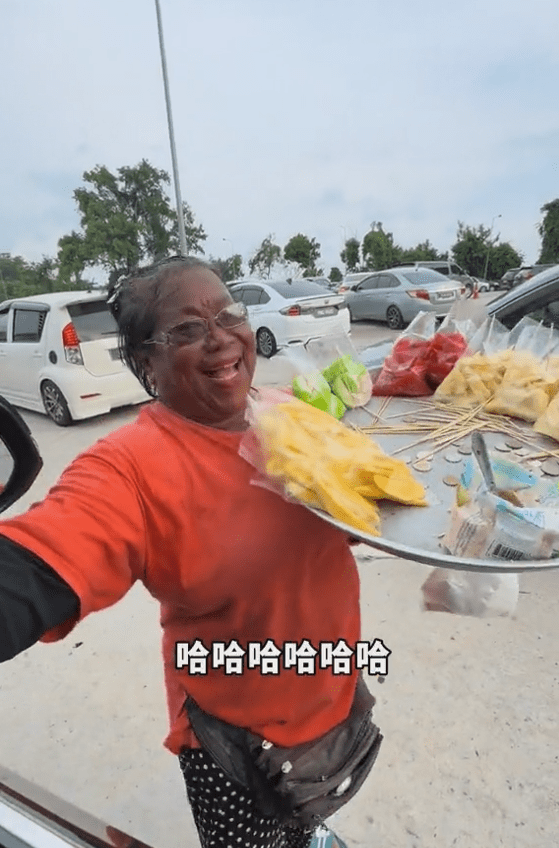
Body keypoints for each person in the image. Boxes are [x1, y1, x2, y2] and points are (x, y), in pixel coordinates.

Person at [0, 255, 364, 848]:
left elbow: (351, 525)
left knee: (306, 821)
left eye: (229, 315)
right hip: (238, 740)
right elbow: (42, 558)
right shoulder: (129, 466)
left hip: (331, 697)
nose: (221, 340)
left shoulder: (289, 417)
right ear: (146, 361)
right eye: (187, 330)